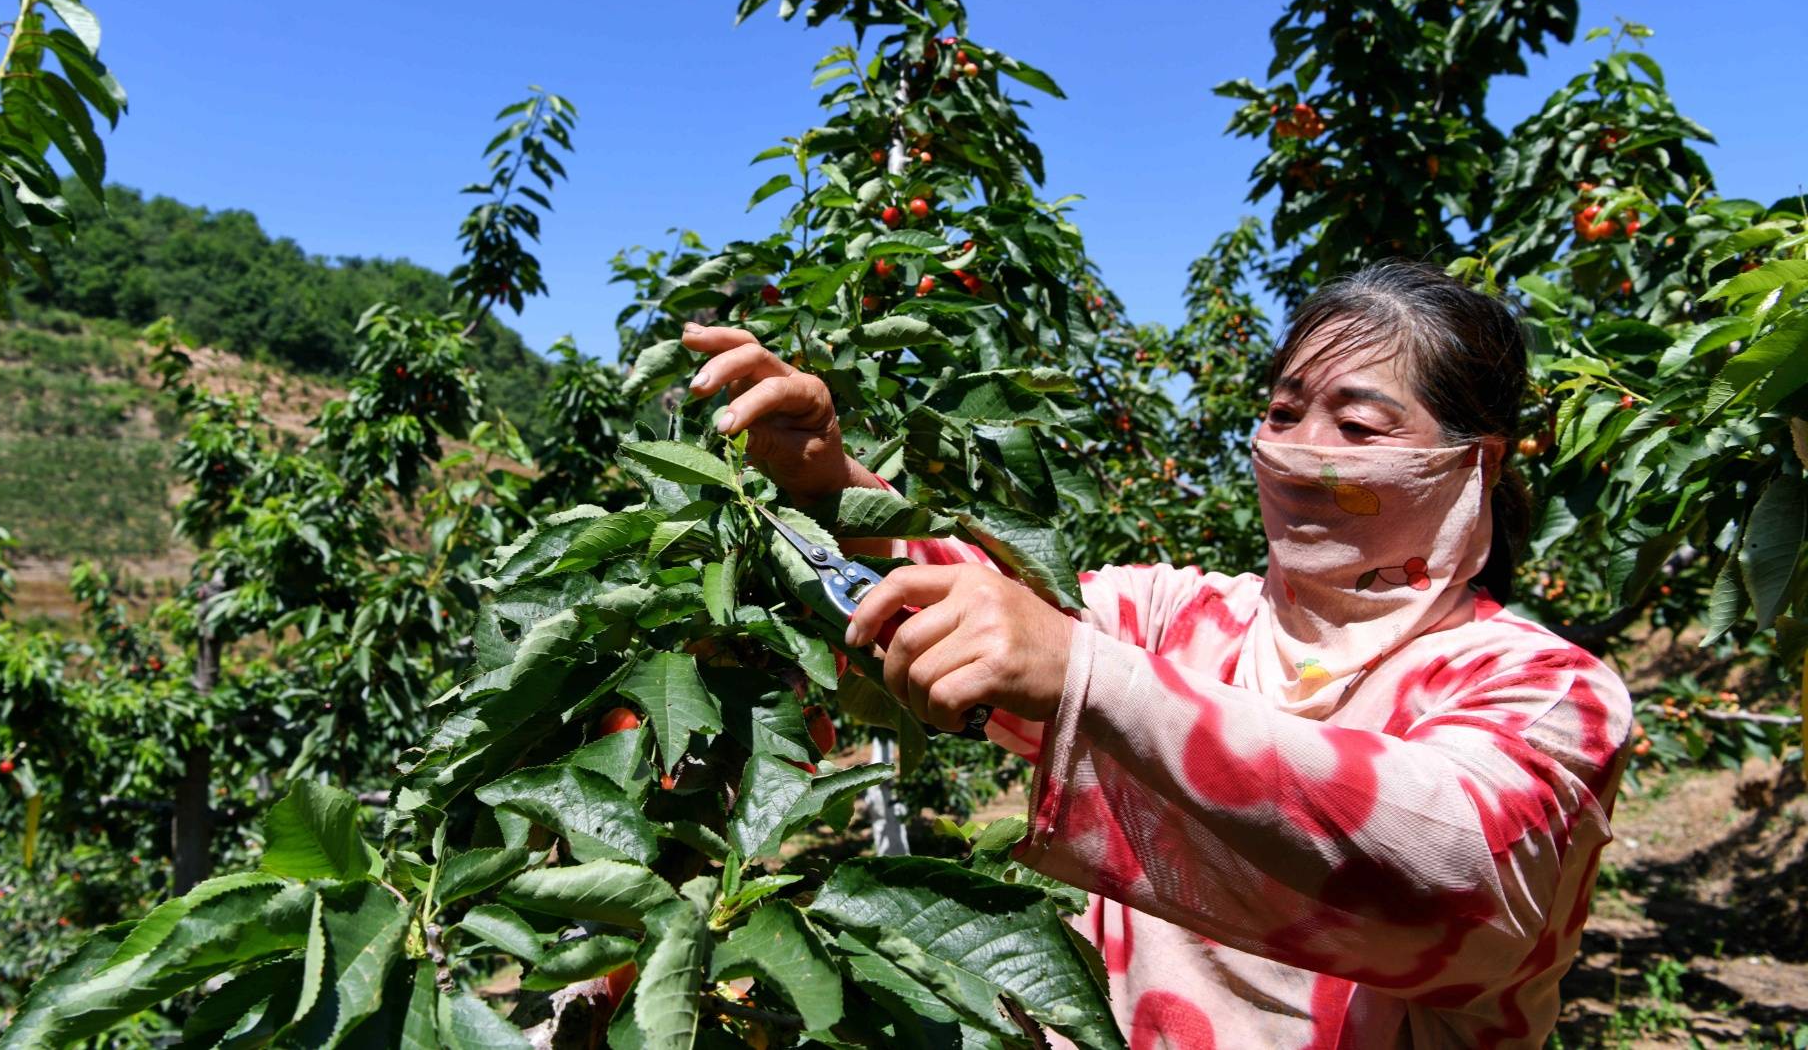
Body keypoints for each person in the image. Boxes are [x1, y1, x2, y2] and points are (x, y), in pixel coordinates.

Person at [680, 259, 1632, 1050]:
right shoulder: (1181, 616)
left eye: (1357, 425)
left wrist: (1091, 674)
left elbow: (1449, 869)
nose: (1302, 451)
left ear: (1482, 462)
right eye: (1285, 409)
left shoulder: (1544, 689)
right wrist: (831, 484)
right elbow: (986, 615)